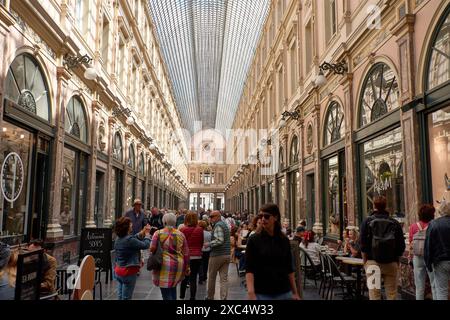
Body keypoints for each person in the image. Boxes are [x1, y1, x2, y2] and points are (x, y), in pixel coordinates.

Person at [245, 204, 300, 300]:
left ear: (275, 217)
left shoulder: (284, 240)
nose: (263, 219)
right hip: (262, 293)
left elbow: (289, 268)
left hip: (284, 292)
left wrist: (295, 292)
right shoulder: (254, 240)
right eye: (260, 216)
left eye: (266, 216)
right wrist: (251, 293)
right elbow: (249, 269)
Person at [360, 196, 406, 300]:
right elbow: (401, 246)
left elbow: (363, 245)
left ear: (374, 206)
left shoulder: (367, 222)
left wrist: (365, 262)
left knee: (374, 295)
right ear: (386, 206)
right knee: (392, 295)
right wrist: (396, 262)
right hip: (391, 263)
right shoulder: (395, 223)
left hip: (372, 264)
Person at [150, 213, 189, 300]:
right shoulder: (181, 234)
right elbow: (186, 252)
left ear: (164, 221)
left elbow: (152, 248)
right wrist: (187, 267)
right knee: (173, 288)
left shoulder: (158, 233)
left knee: (165, 293)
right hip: (178, 264)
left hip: (163, 265)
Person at [113, 217, 151, 300]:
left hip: (119, 271)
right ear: (126, 227)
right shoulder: (129, 240)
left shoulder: (118, 239)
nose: (132, 226)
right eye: (130, 225)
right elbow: (145, 245)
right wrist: (147, 234)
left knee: (120, 296)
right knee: (126, 297)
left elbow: (134, 238)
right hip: (128, 272)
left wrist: (142, 232)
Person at [408, 204, 436, 300]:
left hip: (417, 257)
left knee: (419, 287)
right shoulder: (433, 226)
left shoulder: (413, 226)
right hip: (431, 257)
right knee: (434, 285)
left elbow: (411, 242)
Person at [424, 200, 450, 300]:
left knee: (441, 291)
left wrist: (428, 263)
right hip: (441, 259)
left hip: (440, 261)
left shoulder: (434, 224)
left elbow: (428, 245)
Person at [206, 210, 231, 300]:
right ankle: (223, 297)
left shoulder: (218, 225)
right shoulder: (224, 225)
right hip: (226, 255)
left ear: (217, 216)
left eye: (212, 216)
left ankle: (210, 297)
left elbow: (219, 240)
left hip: (217, 255)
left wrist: (208, 244)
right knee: (224, 278)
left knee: (212, 277)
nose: (210, 218)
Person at [179, 212, 204, 300]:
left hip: (185, 256)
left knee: (184, 278)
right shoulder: (200, 229)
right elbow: (201, 243)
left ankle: (182, 296)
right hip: (197, 256)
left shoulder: (182, 229)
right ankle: (192, 297)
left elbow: (180, 244)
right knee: (193, 278)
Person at [198, 220, 211, 284]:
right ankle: (205, 276)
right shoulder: (209, 233)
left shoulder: (198, 232)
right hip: (207, 250)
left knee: (200, 264)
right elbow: (210, 241)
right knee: (206, 264)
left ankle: (201, 277)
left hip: (200, 249)